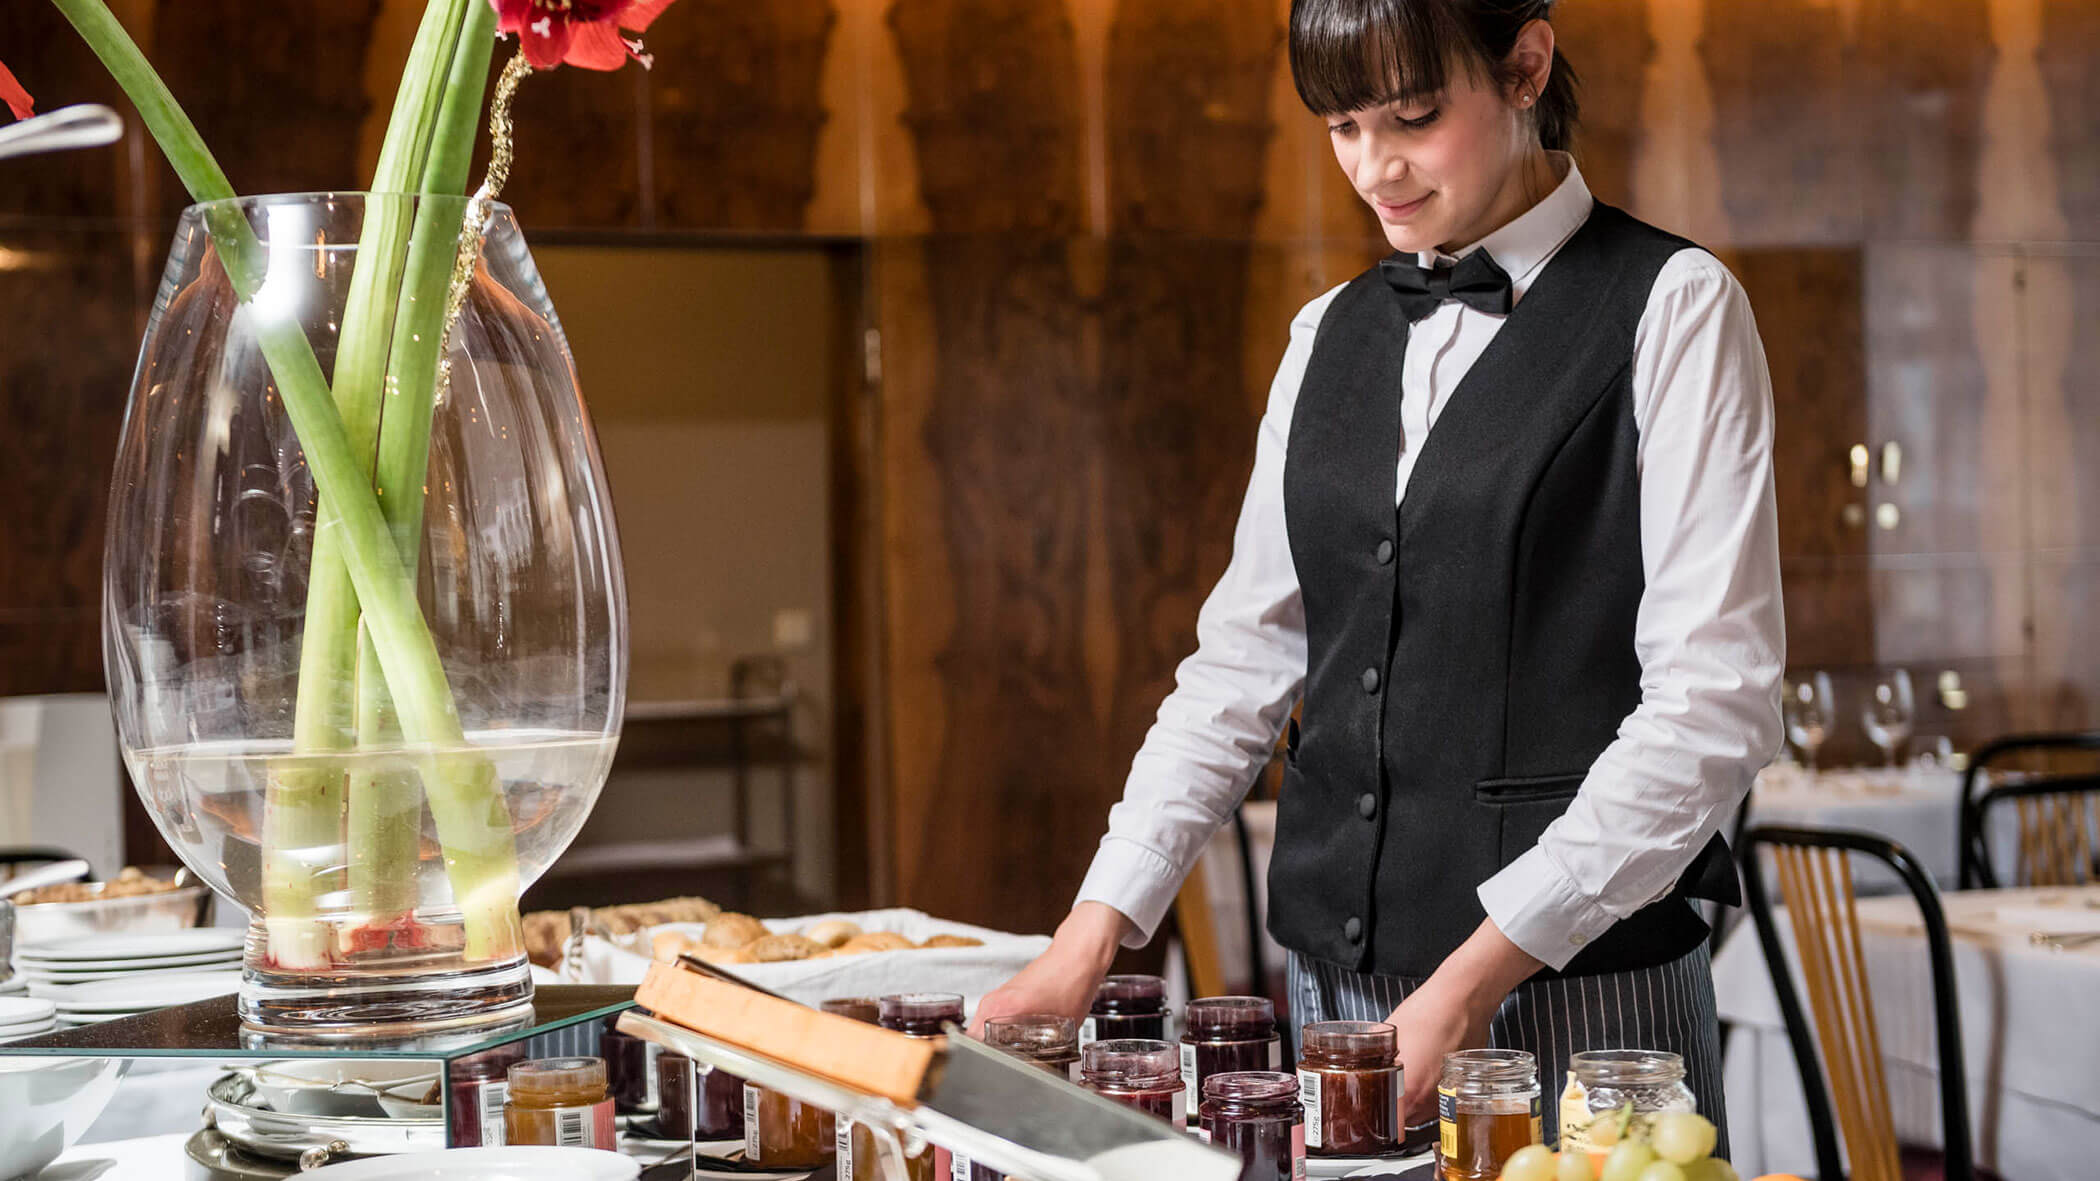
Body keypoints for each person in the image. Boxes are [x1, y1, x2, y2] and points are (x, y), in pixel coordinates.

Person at [973, 0, 1784, 1146]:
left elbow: (1717, 704)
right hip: (1336, 993)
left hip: (1586, 1000)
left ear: (1525, 68)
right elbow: (1243, 665)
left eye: (1412, 116)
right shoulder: (1324, 336)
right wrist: (1089, 931)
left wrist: (1477, 973)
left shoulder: (1676, 308)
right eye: (1343, 126)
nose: (1373, 167)